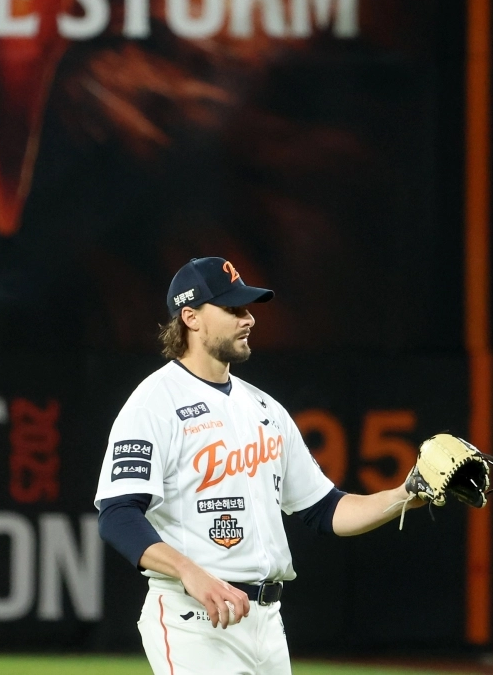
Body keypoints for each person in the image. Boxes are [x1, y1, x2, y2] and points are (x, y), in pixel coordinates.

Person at [94, 257, 424, 675]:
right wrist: (190, 573)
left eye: (247, 308)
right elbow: (118, 514)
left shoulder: (264, 408)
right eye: (232, 309)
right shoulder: (154, 403)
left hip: (267, 624)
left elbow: (324, 509)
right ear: (191, 317)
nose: (248, 318)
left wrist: (405, 495)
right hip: (195, 620)